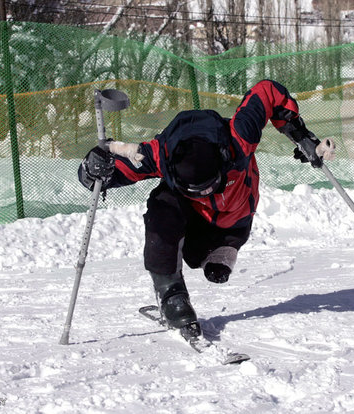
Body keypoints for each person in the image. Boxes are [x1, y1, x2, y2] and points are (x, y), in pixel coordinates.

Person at [78, 79, 335, 333]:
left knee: (216, 256)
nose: (206, 193)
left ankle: (221, 251)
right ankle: (171, 294)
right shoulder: (160, 155)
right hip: (192, 225)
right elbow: (103, 177)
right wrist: (93, 168)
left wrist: (299, 133)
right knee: (162, 205)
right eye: (198, 190)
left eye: (212, 185)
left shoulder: (238, 137)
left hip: (232, 225)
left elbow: (267, 91)